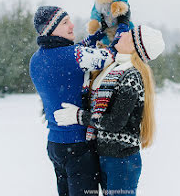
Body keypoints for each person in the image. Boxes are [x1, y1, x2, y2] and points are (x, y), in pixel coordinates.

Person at [54, 25, 165, 195]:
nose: (124, 33)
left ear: (135, 45)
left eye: (130, 33)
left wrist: (79, 117)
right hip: (105, 156)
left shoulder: (131, 76)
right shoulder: (112, 68)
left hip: (121, 161)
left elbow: (115, 122)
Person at [29, 5, 119, 196]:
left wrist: (90, 40)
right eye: (64, 22)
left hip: (55, 145)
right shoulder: (75, 56)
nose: (72, 25)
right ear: (50, 30)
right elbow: (110, 56)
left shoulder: (35, 60)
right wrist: (121, 35)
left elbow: (69, 55)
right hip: (78, 146)